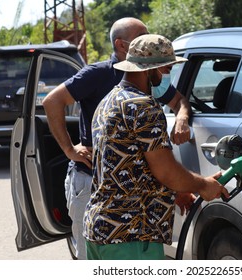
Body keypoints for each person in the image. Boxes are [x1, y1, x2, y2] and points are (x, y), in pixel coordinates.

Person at [42, 18, 193, 260]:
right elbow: (52, 101)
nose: (166, 71)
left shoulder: (136, 88)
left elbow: (178, 105)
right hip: (93, 185)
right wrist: (70, 150)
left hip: (113, 215)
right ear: (122, 44)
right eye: (140, 36)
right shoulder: (99, 76)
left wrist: (182, 118)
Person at [83, 34, 230, 260]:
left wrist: (176, 189)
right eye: (165, 69)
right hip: (130, 236)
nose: (166, 75)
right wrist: (203, 185)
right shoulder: (143, 105)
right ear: (147, 69)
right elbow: (166, 170)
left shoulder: (109, 101)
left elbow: (130, 164)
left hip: (101, 229)